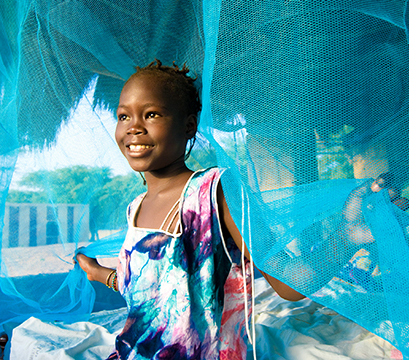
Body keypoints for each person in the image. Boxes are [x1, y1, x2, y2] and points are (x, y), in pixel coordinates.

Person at [76, 60, 304, 360]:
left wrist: (347, 236)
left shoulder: (215, 192)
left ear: (188, 126)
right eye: (123, 116)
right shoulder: (136, 208)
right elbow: (152, 290)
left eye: (151, 114)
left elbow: (289, 282)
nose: (133, 127)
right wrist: (98, 273)